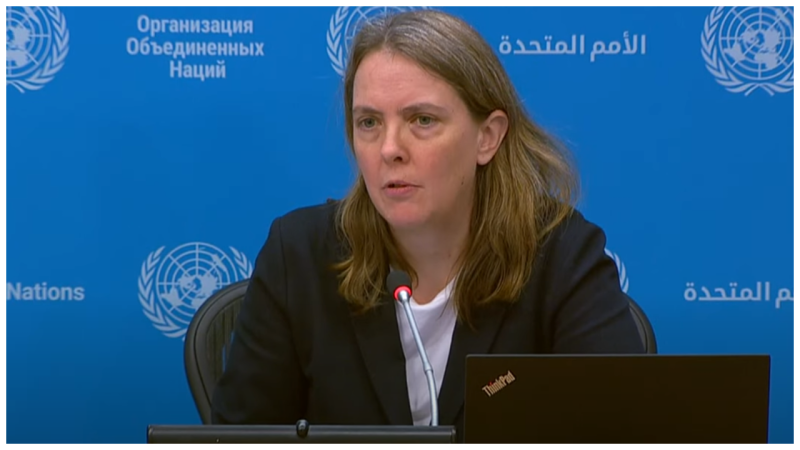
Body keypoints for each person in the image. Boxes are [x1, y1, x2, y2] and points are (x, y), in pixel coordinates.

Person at [210, 8, 645, 441]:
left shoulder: (561, 254)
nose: (390, 149)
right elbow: (239, 439)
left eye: (422, 120)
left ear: (487, 137)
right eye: (369, 122)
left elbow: (619, 430)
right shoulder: (298, 256)